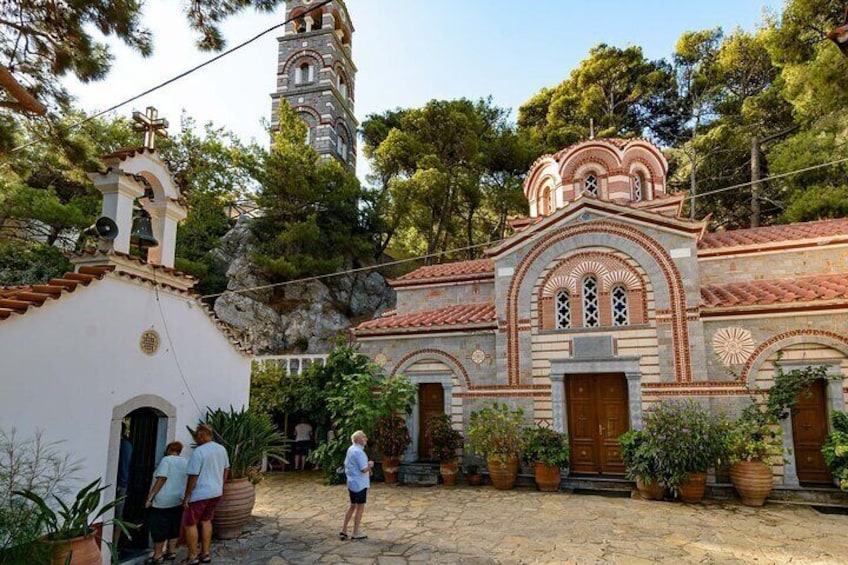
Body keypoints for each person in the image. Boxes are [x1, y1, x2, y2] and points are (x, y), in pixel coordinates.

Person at [182, 424, 229, 565]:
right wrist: (221, 484)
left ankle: (192, 556)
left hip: (200, 493)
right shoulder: (221, 449)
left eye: (197, 437)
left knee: (190, 523)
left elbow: (193, 475)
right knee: (206, 521)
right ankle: (206, 553)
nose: (196, 440)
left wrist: (187, 495)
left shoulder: (199, 452)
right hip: (215, 492)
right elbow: (227, 468)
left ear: (202, 436)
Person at [144, 441, 188, 564]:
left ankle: (157, 555)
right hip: (178, 498)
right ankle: (171, 551)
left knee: (158, 526)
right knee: (174, 525)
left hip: (163, 499)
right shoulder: (185, 462)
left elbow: (162, 478)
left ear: (169, 449)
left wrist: (150, 497)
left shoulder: (166, 460)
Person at [339, 430, 373, 541]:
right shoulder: (359, 452)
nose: (366, 439)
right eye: (364, 437)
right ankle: (356, 532)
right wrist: (370, 465)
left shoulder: (351, 449)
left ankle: (344, 530)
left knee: (352, 506)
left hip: (352, 483)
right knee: (359, 507)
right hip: (360, 484)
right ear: (358, 439)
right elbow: (364, 469)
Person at [114, 422, 133, 546]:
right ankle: (115, 546)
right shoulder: (127, 445)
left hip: (120, 484)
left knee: (117, 516)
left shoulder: (123, 445)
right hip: (122, 483)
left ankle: (114, 546)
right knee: (117, 516)